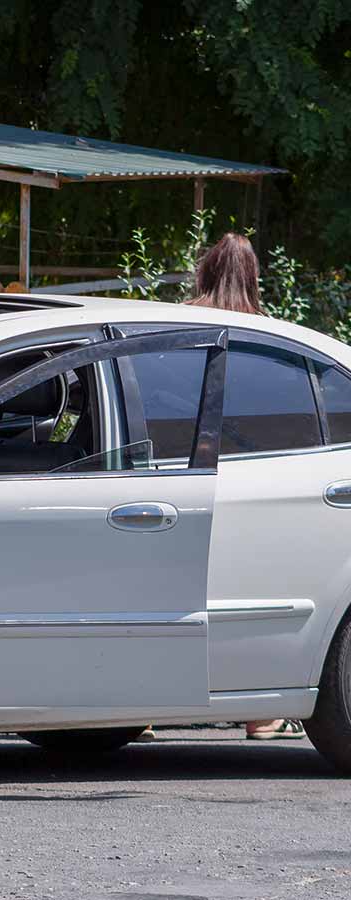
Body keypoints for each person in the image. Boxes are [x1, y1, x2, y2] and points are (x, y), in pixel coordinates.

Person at [188, 233, 304, 741]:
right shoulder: (266, 335)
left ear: (206, 270)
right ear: (254, 276)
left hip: (181, 473)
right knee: (247, 595)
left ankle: (140, 710)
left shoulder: (185, 324)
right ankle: (261, 712)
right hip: (248, 481)